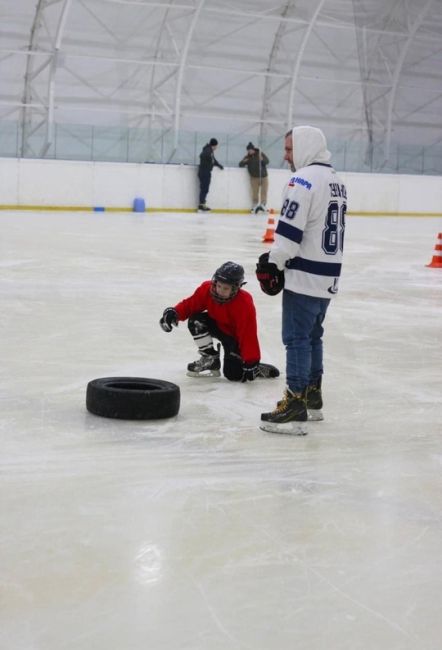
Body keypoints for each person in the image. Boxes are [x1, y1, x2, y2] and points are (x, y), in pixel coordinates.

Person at [256, 125, 347, 435]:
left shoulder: (303, 179)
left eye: (290, 149)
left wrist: (273, 261)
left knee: (296, 339)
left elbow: (290, 234)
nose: (285, 155)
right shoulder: (336, 181)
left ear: (306, 147)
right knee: (313, 336)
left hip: (304, 274)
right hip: (327, 274)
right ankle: (313, 397)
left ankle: (295, 403)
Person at [159, 261, 279, 382]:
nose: (220, 290)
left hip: (234, 337)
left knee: (233, 374)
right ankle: (210, 359)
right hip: (217, 325)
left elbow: (247, 333)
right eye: (219, 285)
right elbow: (190, 305)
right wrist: (174, 313)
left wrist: (251, 361)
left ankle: (256, 368)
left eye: (226, 288)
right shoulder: (207, 289)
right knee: (196, 321)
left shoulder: (244, 303)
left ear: (236, 287)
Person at [239, 142, 269, 213]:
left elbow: (267, 161)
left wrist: (262, 160)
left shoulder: (260, 154)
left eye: (250, 150)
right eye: (248, 150)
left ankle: (263, 204)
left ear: (253, 149)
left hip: (263, 176)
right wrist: (244, 161)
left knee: (264, 191)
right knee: (255, 192)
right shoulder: (247, 157)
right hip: (254, 178)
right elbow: (240, 164)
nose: (249, 151)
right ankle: (255, 205)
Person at [197, 138, 224, 212]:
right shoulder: (208, 151)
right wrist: (208, 164)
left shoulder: (209, 151)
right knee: (204, 189)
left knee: (205, 189)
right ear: (214, 145)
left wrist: (218, 165)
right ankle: (201, 206)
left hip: (205, 171)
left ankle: (202, 204)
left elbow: (213, 160)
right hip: (204, 172)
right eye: (216, 146)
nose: (216, 147)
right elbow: (202, 156)